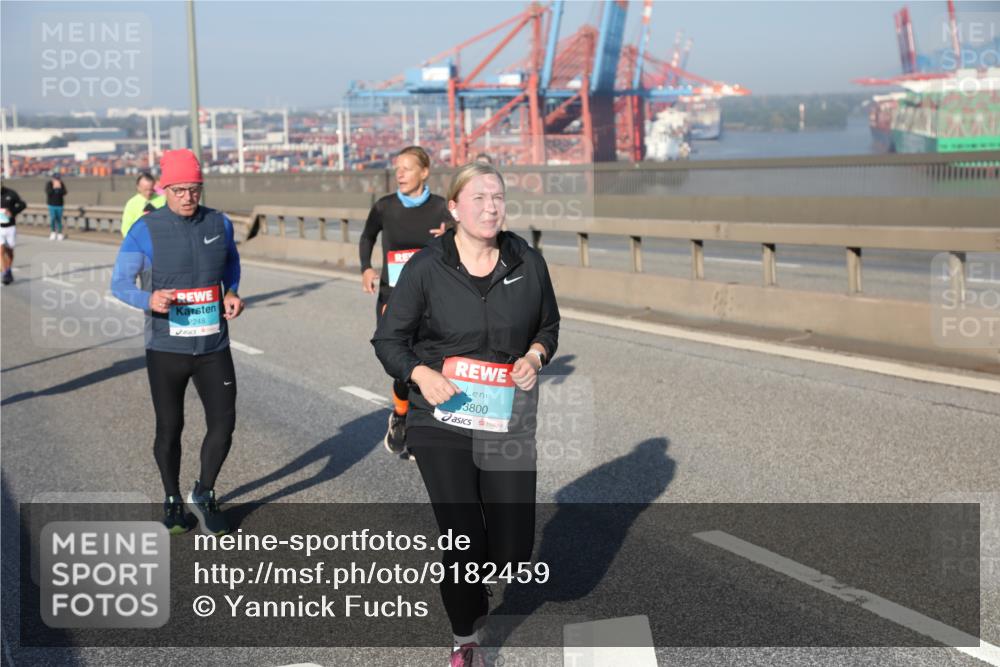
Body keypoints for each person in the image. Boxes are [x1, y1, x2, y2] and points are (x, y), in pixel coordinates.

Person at [372, 162, 559, 666]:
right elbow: (388, 340)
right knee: (462, 539)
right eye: (477, 198)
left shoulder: (527, 261)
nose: (490, 207)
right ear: (453, 208)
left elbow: (549, 325)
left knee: (514, 553)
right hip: (443, 421)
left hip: (508, 421)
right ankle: (466, 642)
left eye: (497, 197)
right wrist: (420, 375)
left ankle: (479, 584)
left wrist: (535, 356)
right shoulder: (427, 267)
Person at [111, 149, 244, 536]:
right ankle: (172, 499)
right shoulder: (145, 229)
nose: (188, 197)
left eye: (195, 189)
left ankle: (203, 491)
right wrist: (147, 299)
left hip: (213, 346)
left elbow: (231, 262)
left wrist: (232, 291)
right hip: (166, 348)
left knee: (224, 424)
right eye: (180, 189)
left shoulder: (219, 222)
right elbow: (119, 283)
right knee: (170, 427)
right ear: (165, 189)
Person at [359, 145, 451, 459]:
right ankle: (400, 414)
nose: (399, 174)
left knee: (427, 361)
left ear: (424, 172)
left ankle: (417, 427)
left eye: (407, 168)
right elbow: (367, 236)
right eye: (397, 168)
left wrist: (450, 233)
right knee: (401, 363)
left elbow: (463, 240)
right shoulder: (385, 207)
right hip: (393, 296)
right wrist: (367, 267)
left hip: (432, 297)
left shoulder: (441, 208)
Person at [121, 171, 166, 237]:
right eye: (145, 190)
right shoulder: (132, 203)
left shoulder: (163, 199)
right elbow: (126, 226)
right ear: (138, 187)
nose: (148, 193)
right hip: (139, 238)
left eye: (150, 189)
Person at [1, 185, 27, 285]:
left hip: (10, 227)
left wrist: (12, 212)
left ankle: (8, 270)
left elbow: (23, 204)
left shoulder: (11, 193)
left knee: (10, 252)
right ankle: (5, 274)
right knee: (1, 251)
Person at [44, 172, 68, 240]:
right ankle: (53, 232)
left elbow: (65, 192)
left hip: (60, 204)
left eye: (58, 178)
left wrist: (59, 188)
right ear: (53, 178)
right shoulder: (49, 184)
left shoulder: (61, 184)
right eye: (56, 178)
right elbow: (48, 192)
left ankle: (60, 233)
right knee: (53, 218)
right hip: (52, 204)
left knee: (59, 219)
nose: (57, 180)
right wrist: (54, 188)